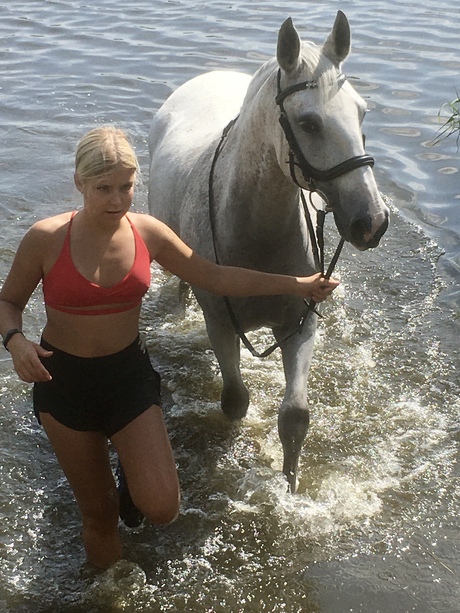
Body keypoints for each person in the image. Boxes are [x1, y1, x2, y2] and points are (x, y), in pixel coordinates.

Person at [0, 126, 339, 570]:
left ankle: (129, 468)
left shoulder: (148, 233)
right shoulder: (45, 238)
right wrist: (15, 341)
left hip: (128, 379)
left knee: (161, 507)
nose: (117, 201)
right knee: (99, 517)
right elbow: (8, 302)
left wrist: (297, 285)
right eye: (103, 189)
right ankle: (108, 594)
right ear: (79, 182)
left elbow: (213, 276)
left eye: (127, 187)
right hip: (62, 382)